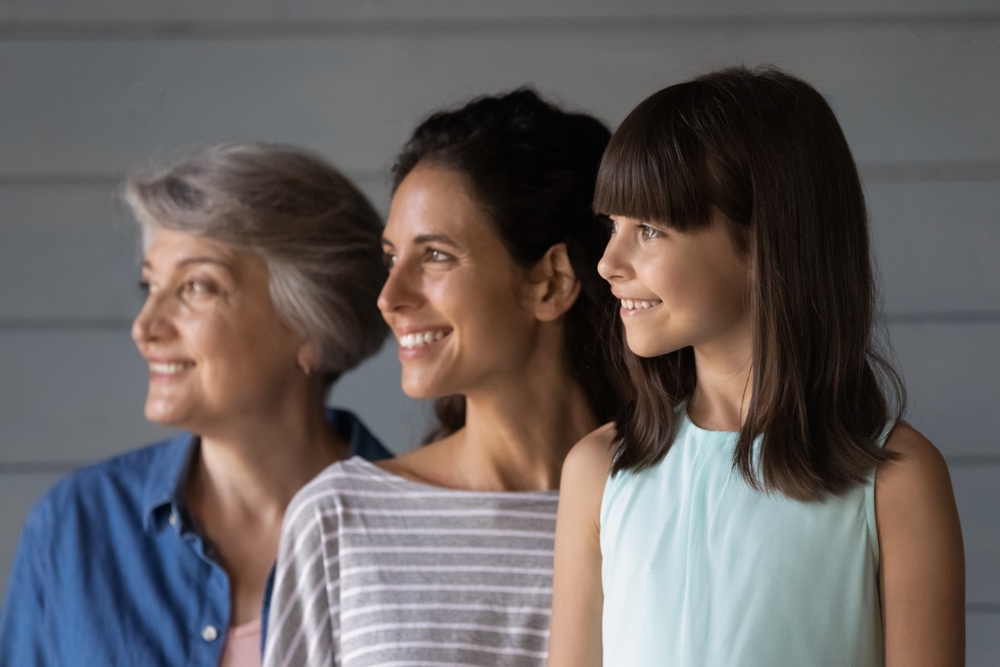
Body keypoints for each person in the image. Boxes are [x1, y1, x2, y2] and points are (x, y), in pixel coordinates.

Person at [548, 66, 966, 667]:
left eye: (649, 229)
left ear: (766, 240)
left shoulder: (896, 481)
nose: (609, 263)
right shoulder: (598, 472)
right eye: (612, 226)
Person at [263, 90, 621, 667]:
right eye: (391, 258)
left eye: (434, 256)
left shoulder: (668, 509)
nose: (390, 297)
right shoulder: (341, 518)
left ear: (550, 282)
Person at [0, 143, 394, 667]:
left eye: (197, 287)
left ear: (311, 324)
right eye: (150, 285)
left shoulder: (420, 531)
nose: (145, 328)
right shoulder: (74, 526)